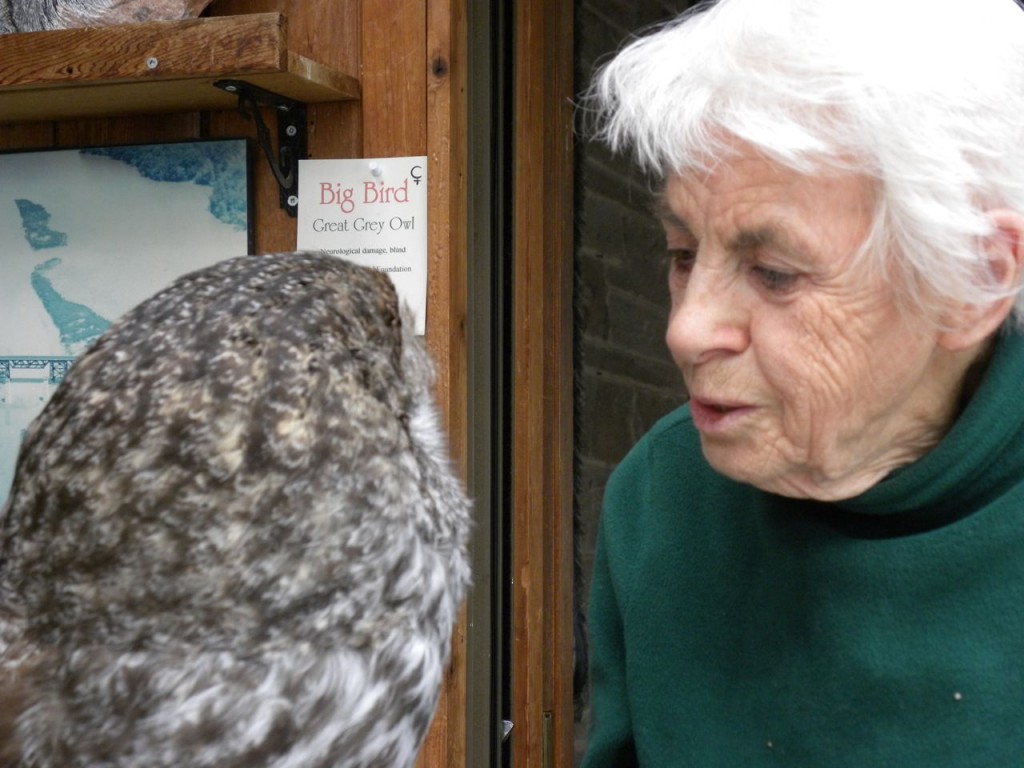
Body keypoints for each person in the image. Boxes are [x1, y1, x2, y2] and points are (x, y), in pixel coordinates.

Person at [580, 0, 1024, 765]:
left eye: (775, 273)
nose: (687, 329)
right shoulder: (663, 501)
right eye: (683, 253)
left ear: (971, 282)